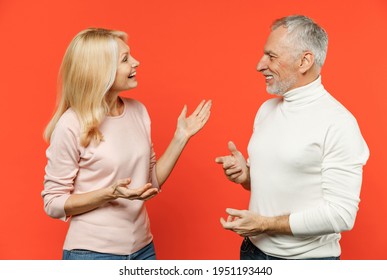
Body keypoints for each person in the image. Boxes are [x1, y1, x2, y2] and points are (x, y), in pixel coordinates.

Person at [42, 28, 211, 260]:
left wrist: (180, 137)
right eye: (125, 59)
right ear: (100, 70)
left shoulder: (138, 111)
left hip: (143, 250)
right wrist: (108, 194)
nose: (136, 62)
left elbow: (149, 182)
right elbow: (53, 203)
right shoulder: (71, 124)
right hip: (92, 255)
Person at [215, 15, 369, 260]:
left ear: (304, 61)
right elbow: (278, 186)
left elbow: (341, 215)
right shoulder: (266, 111)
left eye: (271, 56)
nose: (259, 64)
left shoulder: (339, 123)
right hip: (252, 253)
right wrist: (246, 175)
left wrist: (265, 224)